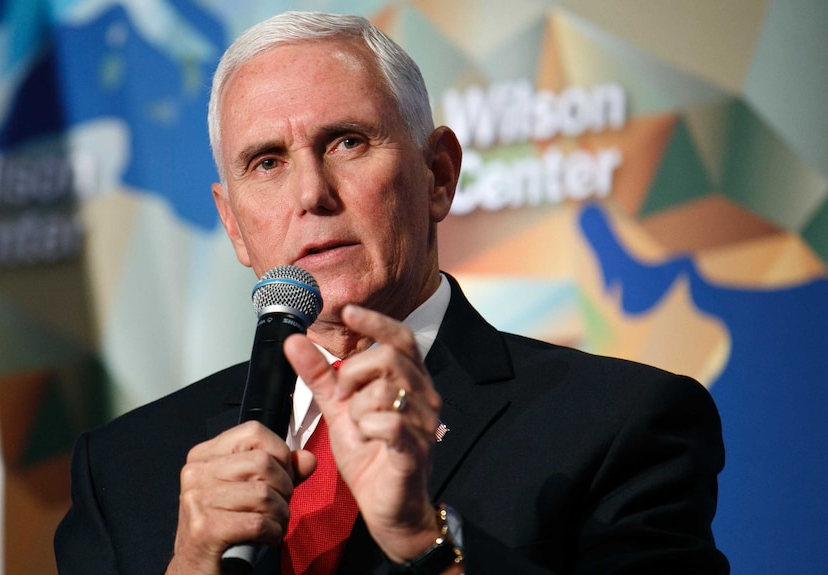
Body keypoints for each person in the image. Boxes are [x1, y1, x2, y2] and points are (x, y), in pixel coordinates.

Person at [54, 11, 729, 575]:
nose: (311, 194)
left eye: (347, 141)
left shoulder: (620, 424)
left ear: (438, 175)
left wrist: (427, 540)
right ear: (233, 225)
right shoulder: (125, 469)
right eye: (267, 162)